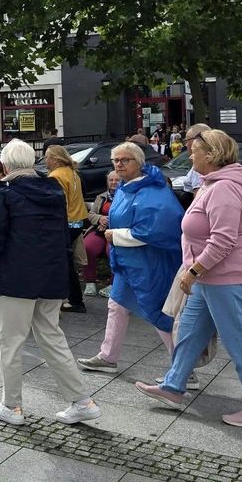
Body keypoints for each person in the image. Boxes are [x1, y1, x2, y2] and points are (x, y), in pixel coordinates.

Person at [136, 130, 242, 428]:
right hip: (210, 277)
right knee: (188, 333)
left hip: (226, 278)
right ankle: (173, 387)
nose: (190, 155)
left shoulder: (225, 188)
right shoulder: (214, 184)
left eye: (194, 150)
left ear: (211, 155)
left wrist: (194, 270)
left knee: (239, 344)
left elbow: (223, 240)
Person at [0, 139, 103, 426]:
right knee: (52, 338)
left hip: (15, 280)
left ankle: (12, 406)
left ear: (4, 165)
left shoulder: (4, 194)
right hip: (50, 277)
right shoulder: (53, 190)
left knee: (10, 342)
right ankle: (82, 400)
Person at [76, 142, 184, 375]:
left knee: (157, 312)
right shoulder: (129, 186)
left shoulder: (152, 191)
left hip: (148, 263)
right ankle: (108, 356)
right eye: (116, 160)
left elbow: (157, 229)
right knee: (116, 305)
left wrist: (116, 236)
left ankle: (184, 369)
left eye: (125, 160)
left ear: (139, 162)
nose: (119, 164)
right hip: (128, 262)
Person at [44, 144, 89, 314]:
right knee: (67, 261)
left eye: (47, 156)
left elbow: (57, 204)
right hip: (78, 220)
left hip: (66, 222)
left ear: (55, 159)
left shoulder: (56, 176)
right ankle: (74, 298)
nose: (45, 160)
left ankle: (74, 299)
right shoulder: (72, 173)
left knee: (63, 262)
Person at [82, 171, 120, 297]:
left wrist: (112, 221)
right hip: (100, 230)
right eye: (111, 180)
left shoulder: (126, 196)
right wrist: (100, 219)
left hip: (116, 232)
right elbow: (91, 215)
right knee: (88, 246)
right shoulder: (101, 197)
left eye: (117, 180)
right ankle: (90, 282)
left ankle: (113, 284)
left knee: (113, 251)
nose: (114, 183)